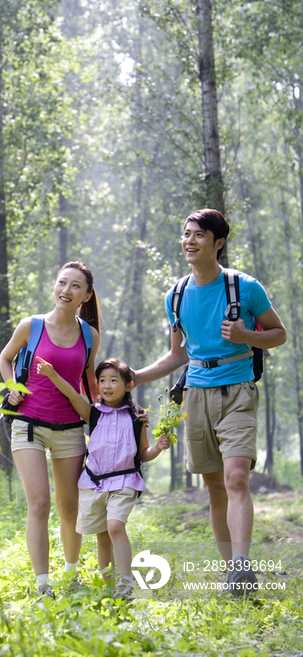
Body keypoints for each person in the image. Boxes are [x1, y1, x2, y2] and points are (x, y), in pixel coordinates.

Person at [133, 208, 286, 596]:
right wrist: (136, 376)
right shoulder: (176, 295)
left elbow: (279, 334)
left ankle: (241, 565)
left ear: (218, 242)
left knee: (237, 478)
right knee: (215, 488)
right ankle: (231, 574)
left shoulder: (245, 287)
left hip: (237, 389)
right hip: (196, 395)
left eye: (199, 235)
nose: (189, 241)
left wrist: (245, 335)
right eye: (186, 234)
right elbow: (177, 355)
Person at [0, 261, 100, 599]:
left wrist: (109, 414)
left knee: (70, 506)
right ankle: (43, 584)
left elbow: (88, 382)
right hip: (28, 423)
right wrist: (12, 386)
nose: (66, 291)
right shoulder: (32, 326)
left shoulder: (90, 335)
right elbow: (5, 358)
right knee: (39, 503)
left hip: (70, 427)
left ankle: (71, 574)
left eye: (75, 286)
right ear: (54, 287)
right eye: (62, 283)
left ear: (86, 295)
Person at [37, 356, 171, 601]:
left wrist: (159, 447)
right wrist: (52, 374)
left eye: (114, 380)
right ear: (97, 385)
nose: (107, 385)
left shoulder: (137, 416)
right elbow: (72, 395)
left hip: (124, 481)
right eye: (102, 380)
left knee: (115, 527)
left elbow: (143, 453)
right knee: (102, 536)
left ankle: (126, 583)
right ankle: (110, 589)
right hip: (95, 482)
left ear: (129, 385)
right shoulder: (93, 413)